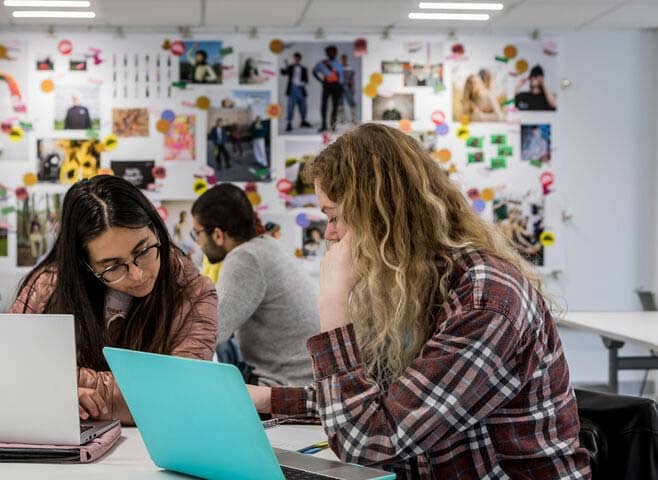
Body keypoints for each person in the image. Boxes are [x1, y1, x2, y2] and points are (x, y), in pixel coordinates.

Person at [247, 123, 590, 478]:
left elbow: (369, 443)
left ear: (381, 214)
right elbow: (380, 401)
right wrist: (265, 400)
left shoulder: (485, 299)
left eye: (334, 217)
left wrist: (333, 311)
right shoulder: (409, 285)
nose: (330, 234)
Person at [10, 176, 217, 425]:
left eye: (143, 251)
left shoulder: (194, 293)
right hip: (64, 444)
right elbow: (7, 370)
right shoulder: (48, 287)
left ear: (155, 229)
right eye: (113, 267)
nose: (138, 274)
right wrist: (48, 394)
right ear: (84, 264)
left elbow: (177, 394)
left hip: (151, 451)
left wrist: (56, 387)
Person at [191, 184, 319, 387]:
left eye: (196, 233)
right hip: (308, 376)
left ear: (217, 234)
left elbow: (210, 330)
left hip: (288, 383)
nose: (197, 242)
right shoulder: (268, 246)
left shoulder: (245, 258)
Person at [312, 45, 344, 132]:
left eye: (333, 52)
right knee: (324, 105)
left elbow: (341, 76)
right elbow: (314, 71)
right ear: (327, 53)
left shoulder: (338, 64)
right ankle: (323, 125)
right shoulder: (322, 63)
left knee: (335, 106)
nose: (332, 54)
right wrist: (321, 81)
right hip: (327, 85)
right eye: (329, 52)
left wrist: (341, 87)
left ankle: (333, 126)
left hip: (337, 86)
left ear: (336, 53)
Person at [280, 52, 312, 132]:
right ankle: (289, 123)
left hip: (301, 89)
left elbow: (306, 80)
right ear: (294, 59)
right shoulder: (290, 67)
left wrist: (302, 83)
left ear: (300, 59)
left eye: (298, 58)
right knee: (290, 107)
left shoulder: (304, 68)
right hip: (292, 89)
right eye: (295, 58)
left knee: (303, 106)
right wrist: (285, 66)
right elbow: (283, 73)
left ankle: (303, 121)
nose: (296, 59)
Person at [339, 54, 357, 124]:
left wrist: (353, 88)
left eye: (345, 59)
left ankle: (353, 119)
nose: (344, 60)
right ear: (341, 60)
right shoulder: (339, 68)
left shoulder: (350, 69)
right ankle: (342, 119)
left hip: (348, 88)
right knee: (340, 104)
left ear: (346, 59)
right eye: (342, 59)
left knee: (352, 103)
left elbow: (352, 80)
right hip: (340, 88)